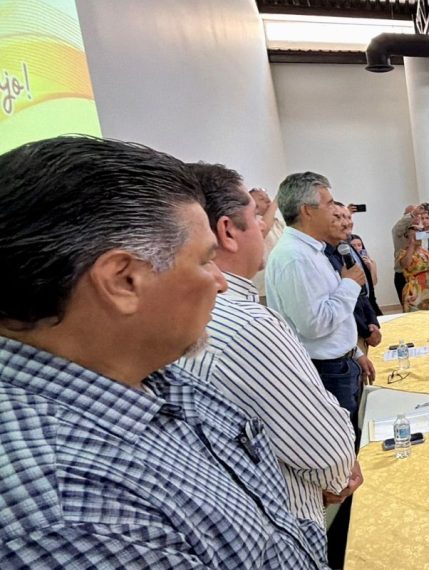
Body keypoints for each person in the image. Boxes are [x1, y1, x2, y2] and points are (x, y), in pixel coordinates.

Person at [0, 136, 324, 567]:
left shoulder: (148, 371)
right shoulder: (69, 510)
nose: (221, 282)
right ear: (123, 281)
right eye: (204, 261)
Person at [176, 162, 359, 565]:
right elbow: (326, 451)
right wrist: (339, 468)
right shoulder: (246, 321)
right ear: (227, 231)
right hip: (286, 522)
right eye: (257, 217)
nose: (265, 226)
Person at [267, 172, 375, 421]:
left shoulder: (313, 250)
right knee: (347, 444)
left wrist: (355, 353)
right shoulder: (295, 257)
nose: (335, 209)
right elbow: (314, 325)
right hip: (326, 369)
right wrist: (350, 284)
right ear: (307, 211)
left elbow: (331, 310)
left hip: (340, 362)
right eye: (329, 204)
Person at [330, 204, 382, 359]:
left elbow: (361, 291)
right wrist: (365, 330)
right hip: (352, 331)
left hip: (365, 316)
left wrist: (372, 322)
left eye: (348, 217)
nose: (347, 222)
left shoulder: (346, 248)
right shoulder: (332, 254)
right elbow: (346, 297)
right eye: (339, 217)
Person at [250, 187, 285, 302]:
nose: (268, 201)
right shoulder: (253, 222)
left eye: (268, 197)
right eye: (262, 199)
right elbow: (262, 231)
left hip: (281, 287)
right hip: (263, 291)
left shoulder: (277, 223)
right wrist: (275, 203)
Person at [398, 223, 429, 311]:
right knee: (416, 318)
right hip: (415, 291)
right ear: (407, 236)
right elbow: (405, 264)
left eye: (420, 233)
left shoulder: (425, 252)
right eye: (415, 233)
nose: (418, 236)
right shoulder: (403, 252)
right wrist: (412, 244)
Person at [391, 204, 425, 301]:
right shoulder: (399, 234)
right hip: (404, 276)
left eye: (419, 215)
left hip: (421, 277)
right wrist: (413, 214)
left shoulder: (421, 231)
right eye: (411, 215)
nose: (416, 217)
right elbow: (396, 229)